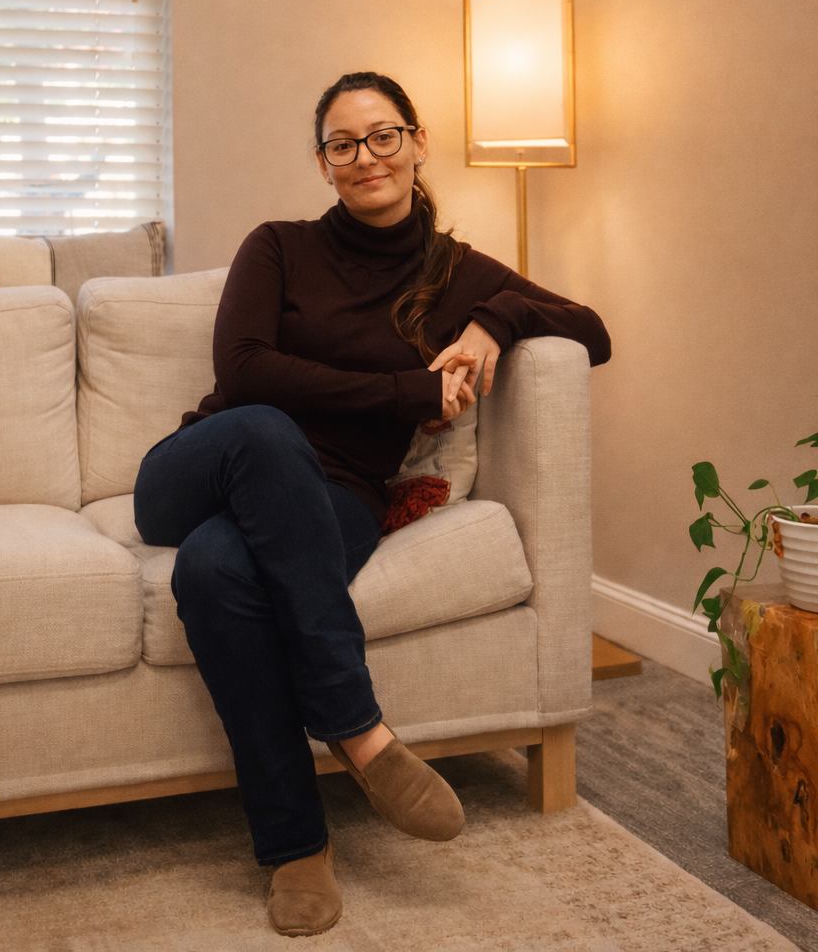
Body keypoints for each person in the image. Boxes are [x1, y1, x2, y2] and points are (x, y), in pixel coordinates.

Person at [134, 71, 610, 937]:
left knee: (213, 573)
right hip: (202, 467)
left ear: (418, 142)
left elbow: (592, 328)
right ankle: (360, 733)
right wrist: (405, 393)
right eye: (344, 144)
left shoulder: (457, 274)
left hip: (335, 497)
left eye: (383, 136)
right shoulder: (277, 245)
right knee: (268, 429)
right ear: (323, 164)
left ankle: (294, 849)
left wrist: (497, 318)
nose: (366, 158)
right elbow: (242, 373)